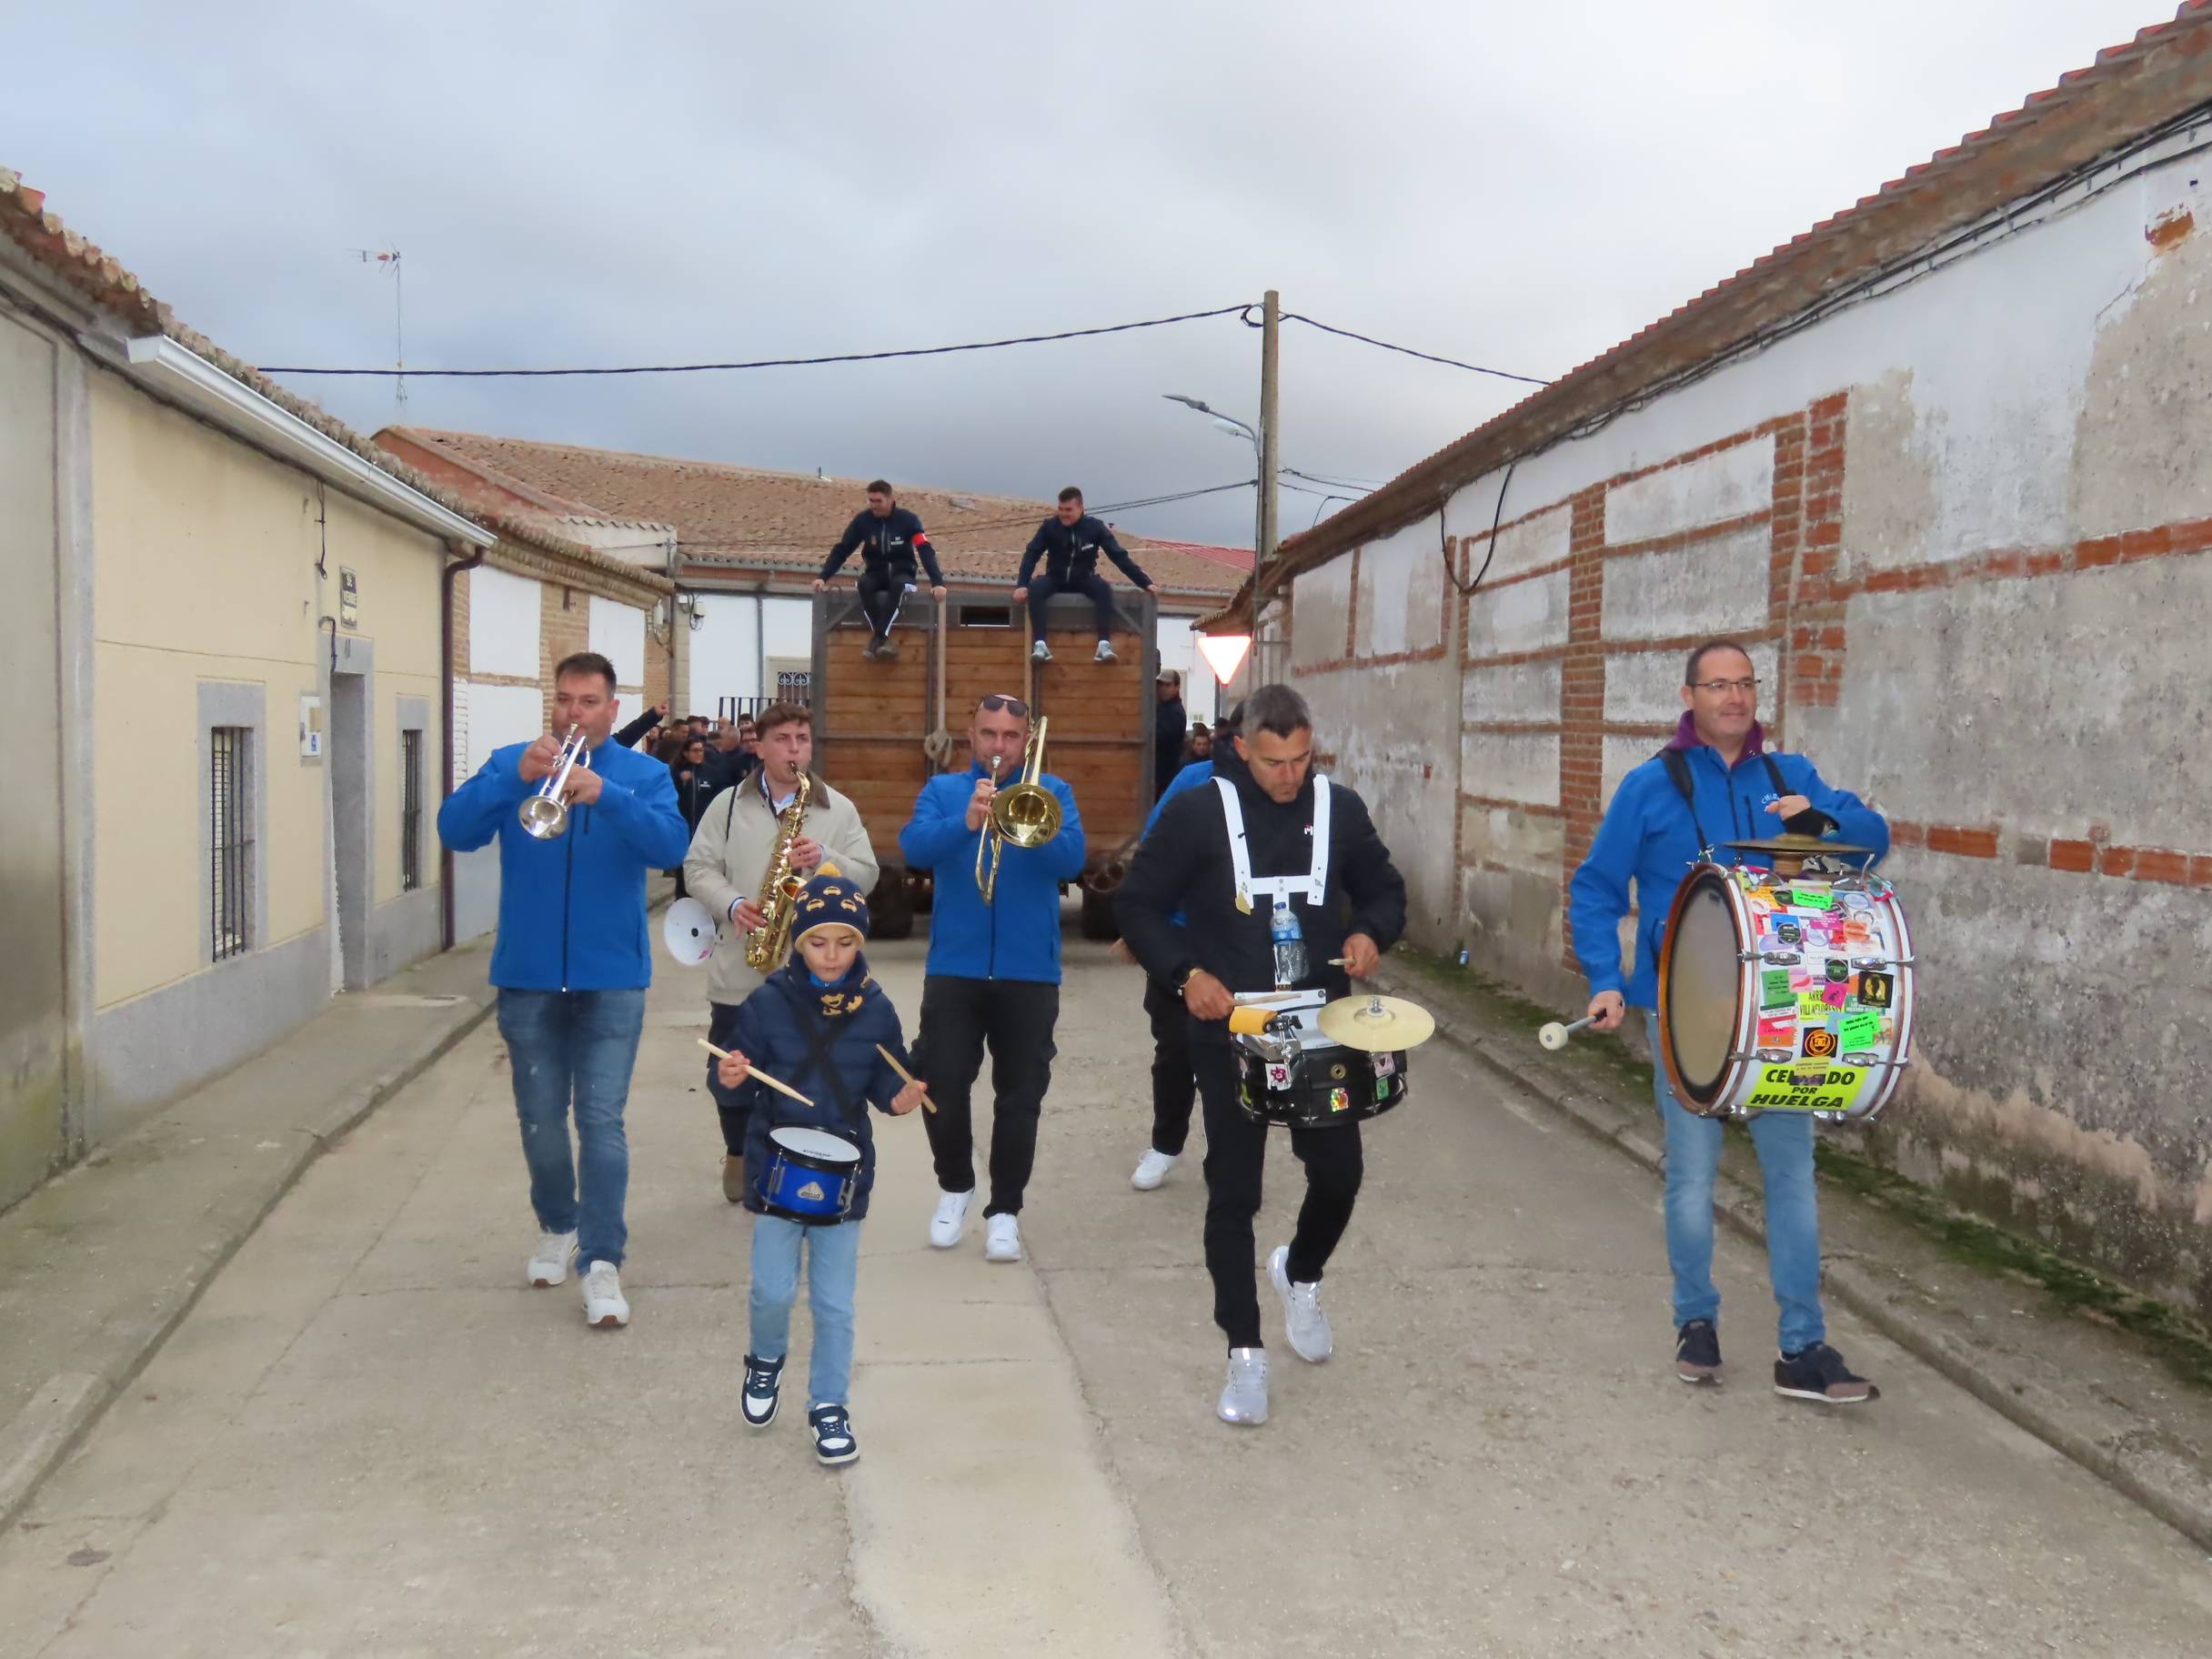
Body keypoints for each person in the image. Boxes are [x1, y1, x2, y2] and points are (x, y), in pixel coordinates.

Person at [1569, 638, 1892, 1405]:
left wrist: (1816, 819)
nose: (1734, 697)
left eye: (1745, 684)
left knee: (1793, 1180)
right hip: (1686, 1016)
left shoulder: (1792, 776)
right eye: (1718, 685)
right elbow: (1596, 887)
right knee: (1691, 1181)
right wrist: (1607, 981)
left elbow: (1872, 839)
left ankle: (1803, 1347)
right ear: (1690, 697)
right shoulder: (1651, 786)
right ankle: (1696, 1323)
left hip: (1786, 1014)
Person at [1116, 684, 1406, 1427]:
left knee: (1340, 1175)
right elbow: (1138, 905)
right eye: (1275, 761)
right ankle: (1244, 1353)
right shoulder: (1197, 810)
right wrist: (1186, 975)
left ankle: (1299, 1273)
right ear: (1242, 748)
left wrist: (1371, 931)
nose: (1290, 775)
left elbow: (1384, 889)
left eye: (1302, 759)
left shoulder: (1338, 809)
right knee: (1234, 1193)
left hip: (1321, 1024)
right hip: (1229, 1029)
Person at [436, 651, 691, 1330]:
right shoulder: (514, 760)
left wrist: (606, 795)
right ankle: (558, 1223)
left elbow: (670, 848)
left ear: (613, 708)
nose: (573, 713)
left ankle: (602, 1260)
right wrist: (511, 780)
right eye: (565, 700)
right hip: (528, 974)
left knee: (601, 1121)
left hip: (612, 979)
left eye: (588, 701)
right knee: (541, 1119)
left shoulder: (645, 775)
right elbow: (454, 831)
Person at [712, 872, 927, 1464]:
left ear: (860, 944)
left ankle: (828, 1405)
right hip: (775, 1169)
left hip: (845, 1177)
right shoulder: (767, 1002)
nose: (832, 956)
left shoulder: (876, 1007)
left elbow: (888, 1077)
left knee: (834, 1304)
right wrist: (729, 1074)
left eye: (845, 943)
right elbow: (728, 1073)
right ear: (798, 944)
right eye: (818, 942)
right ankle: (765, 1361)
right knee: (772, 1292)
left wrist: (900, 1097)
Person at [898, 692, 1085, 1262]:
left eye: (1009, 736)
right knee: (942, 1084)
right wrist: (967, 821)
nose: (998, 746)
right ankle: (956, 1185)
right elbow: (913, 848)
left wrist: (1031, 818)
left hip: (1030, 972)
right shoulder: (945, 791)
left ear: (1026, 740)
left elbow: (1074, 862)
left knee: (1020, 1096)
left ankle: (1005, 1208)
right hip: (955, 968)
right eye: (988, 734)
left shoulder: (1054, 793)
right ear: (970, 735)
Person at [687, 701, 880, 1203]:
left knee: (808, 1074)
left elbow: (868, 874)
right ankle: (737, 1150)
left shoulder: (837, 808)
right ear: (761, 745)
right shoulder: (728, 804)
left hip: (814, 973)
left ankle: (794, 1169)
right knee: (729, 1074)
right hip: (740, 966)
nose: (795, 749)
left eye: (802, 739)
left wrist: (827, 859)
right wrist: (730, 904)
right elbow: (698, 867)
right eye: (784, 740)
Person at [1125, 701, 1241, 1192]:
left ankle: (1229, 1156)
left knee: (1238, 1056)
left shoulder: (1280, 796)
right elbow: (1153, 850)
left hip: (1240, 946)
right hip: (1179, 942)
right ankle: (1166, 1145)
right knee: (1174, 1051)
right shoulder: (1191, 782)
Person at [1014, 488, 1157, 664]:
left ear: (1081, 508)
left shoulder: (1094, 528)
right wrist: (1022, 584)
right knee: (1035, 588)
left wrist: (1145, 583)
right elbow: (1032, 553)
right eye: (1061, 509)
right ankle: (1041, 644)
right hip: (1055, 577)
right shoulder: (1049, 527)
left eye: (1068, 510)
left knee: (1103, 589)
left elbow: (1118, 556)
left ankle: (1104, 645)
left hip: (1083, 578)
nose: (1063, 514)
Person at [815, 480, 948, 661]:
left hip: (904, 574)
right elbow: (842, 549)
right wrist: (824, 577)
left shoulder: (908, 520)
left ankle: (876, 639)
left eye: (878, 501)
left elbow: (924, 549)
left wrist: (937, 582)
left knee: (897, 584)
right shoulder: (863, 521)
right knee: (864, 584)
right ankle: (883, 640)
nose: (874, 506)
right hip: (876, 573)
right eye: (871, 501)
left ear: (891, 499)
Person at [669, 735, 717, 897]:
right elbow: (670, 799)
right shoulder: (675, 772)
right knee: (682, 870)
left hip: (703, 832)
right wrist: (681, 782)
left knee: (701, 869)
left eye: (701, 750)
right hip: (682, 830)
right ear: (686, 753)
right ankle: (681, 900)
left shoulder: (710, 772)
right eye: (695, 750)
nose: (699, 754)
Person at [1153, 669, 1188, 799]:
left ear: (1177, 687)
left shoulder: (1174, 712)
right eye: (1160, 685)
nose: (1163, 689)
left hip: (1164, 778)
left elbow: (1160, 737)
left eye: (1167, 685)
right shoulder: (1165, 708)